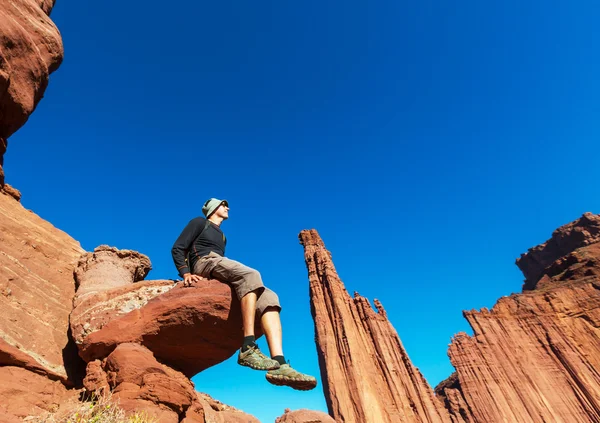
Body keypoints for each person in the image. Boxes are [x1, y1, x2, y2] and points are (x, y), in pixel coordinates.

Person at [171, 198, 316, 391]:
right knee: (251, 274)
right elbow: (178, 247)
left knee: (270, 297)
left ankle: (280, 364)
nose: (227, 207)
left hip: (219, 265)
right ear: (214, 209)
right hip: (204, 262)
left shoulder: (222, 236)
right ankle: (248, 347)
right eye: (223, 205)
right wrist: (186, 273)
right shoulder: (199, 222)